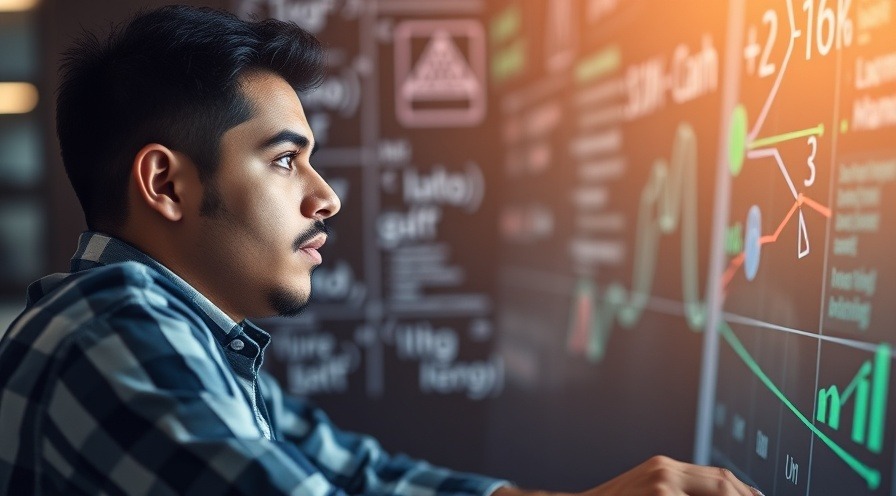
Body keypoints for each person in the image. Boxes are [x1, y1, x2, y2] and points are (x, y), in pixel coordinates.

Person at [0, 5, 762, 496]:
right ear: (166, 184)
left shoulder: (182, 334)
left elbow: (356, 472)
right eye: (284, 160)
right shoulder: (116, 334)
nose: (326, 197)